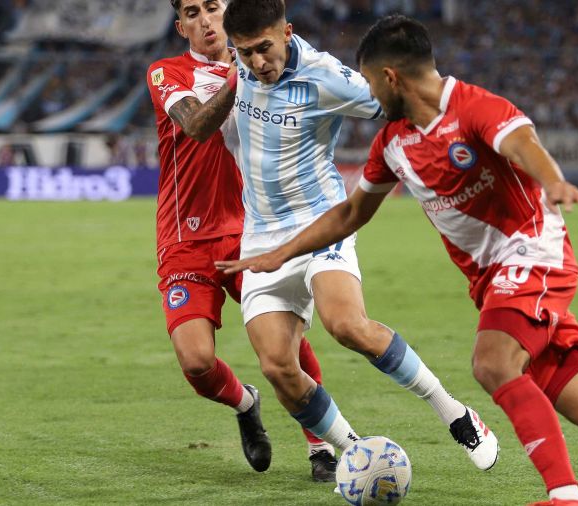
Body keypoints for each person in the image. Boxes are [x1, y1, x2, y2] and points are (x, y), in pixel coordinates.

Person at [220, 15, 578, 506]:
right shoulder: (392, 143)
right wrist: (280, 252)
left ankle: (564, 497)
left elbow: (520, 142)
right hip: (495, 281)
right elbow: (349, 217)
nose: (367, 96)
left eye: (371, 83)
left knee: (492, 361)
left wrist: (553, 181)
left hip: (534, 253)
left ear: (390, 76)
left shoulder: (472, 106)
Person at [214, 0, 500, 477]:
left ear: (287, 32)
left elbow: (399, 100)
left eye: (264, 48)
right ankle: (357, 451)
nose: (257, 63)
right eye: (244, 53)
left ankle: (455, 413)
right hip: (260, 239)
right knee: (278, 369)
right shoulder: (237, 66)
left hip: (320, 222)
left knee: (345, 325)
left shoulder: (328, 77)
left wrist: (460, 143)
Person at [145, 0, 338, 481]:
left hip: (253, 231)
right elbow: (196, 126)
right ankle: (245, 402)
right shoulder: (166, 72)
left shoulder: (263, 64)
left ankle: (322, 444)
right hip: (185, 238)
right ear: (181, 26)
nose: (205, 20)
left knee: (288, 344)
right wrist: (239, 78)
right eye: (192, 12)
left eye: (213, 7)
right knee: (196, 361)